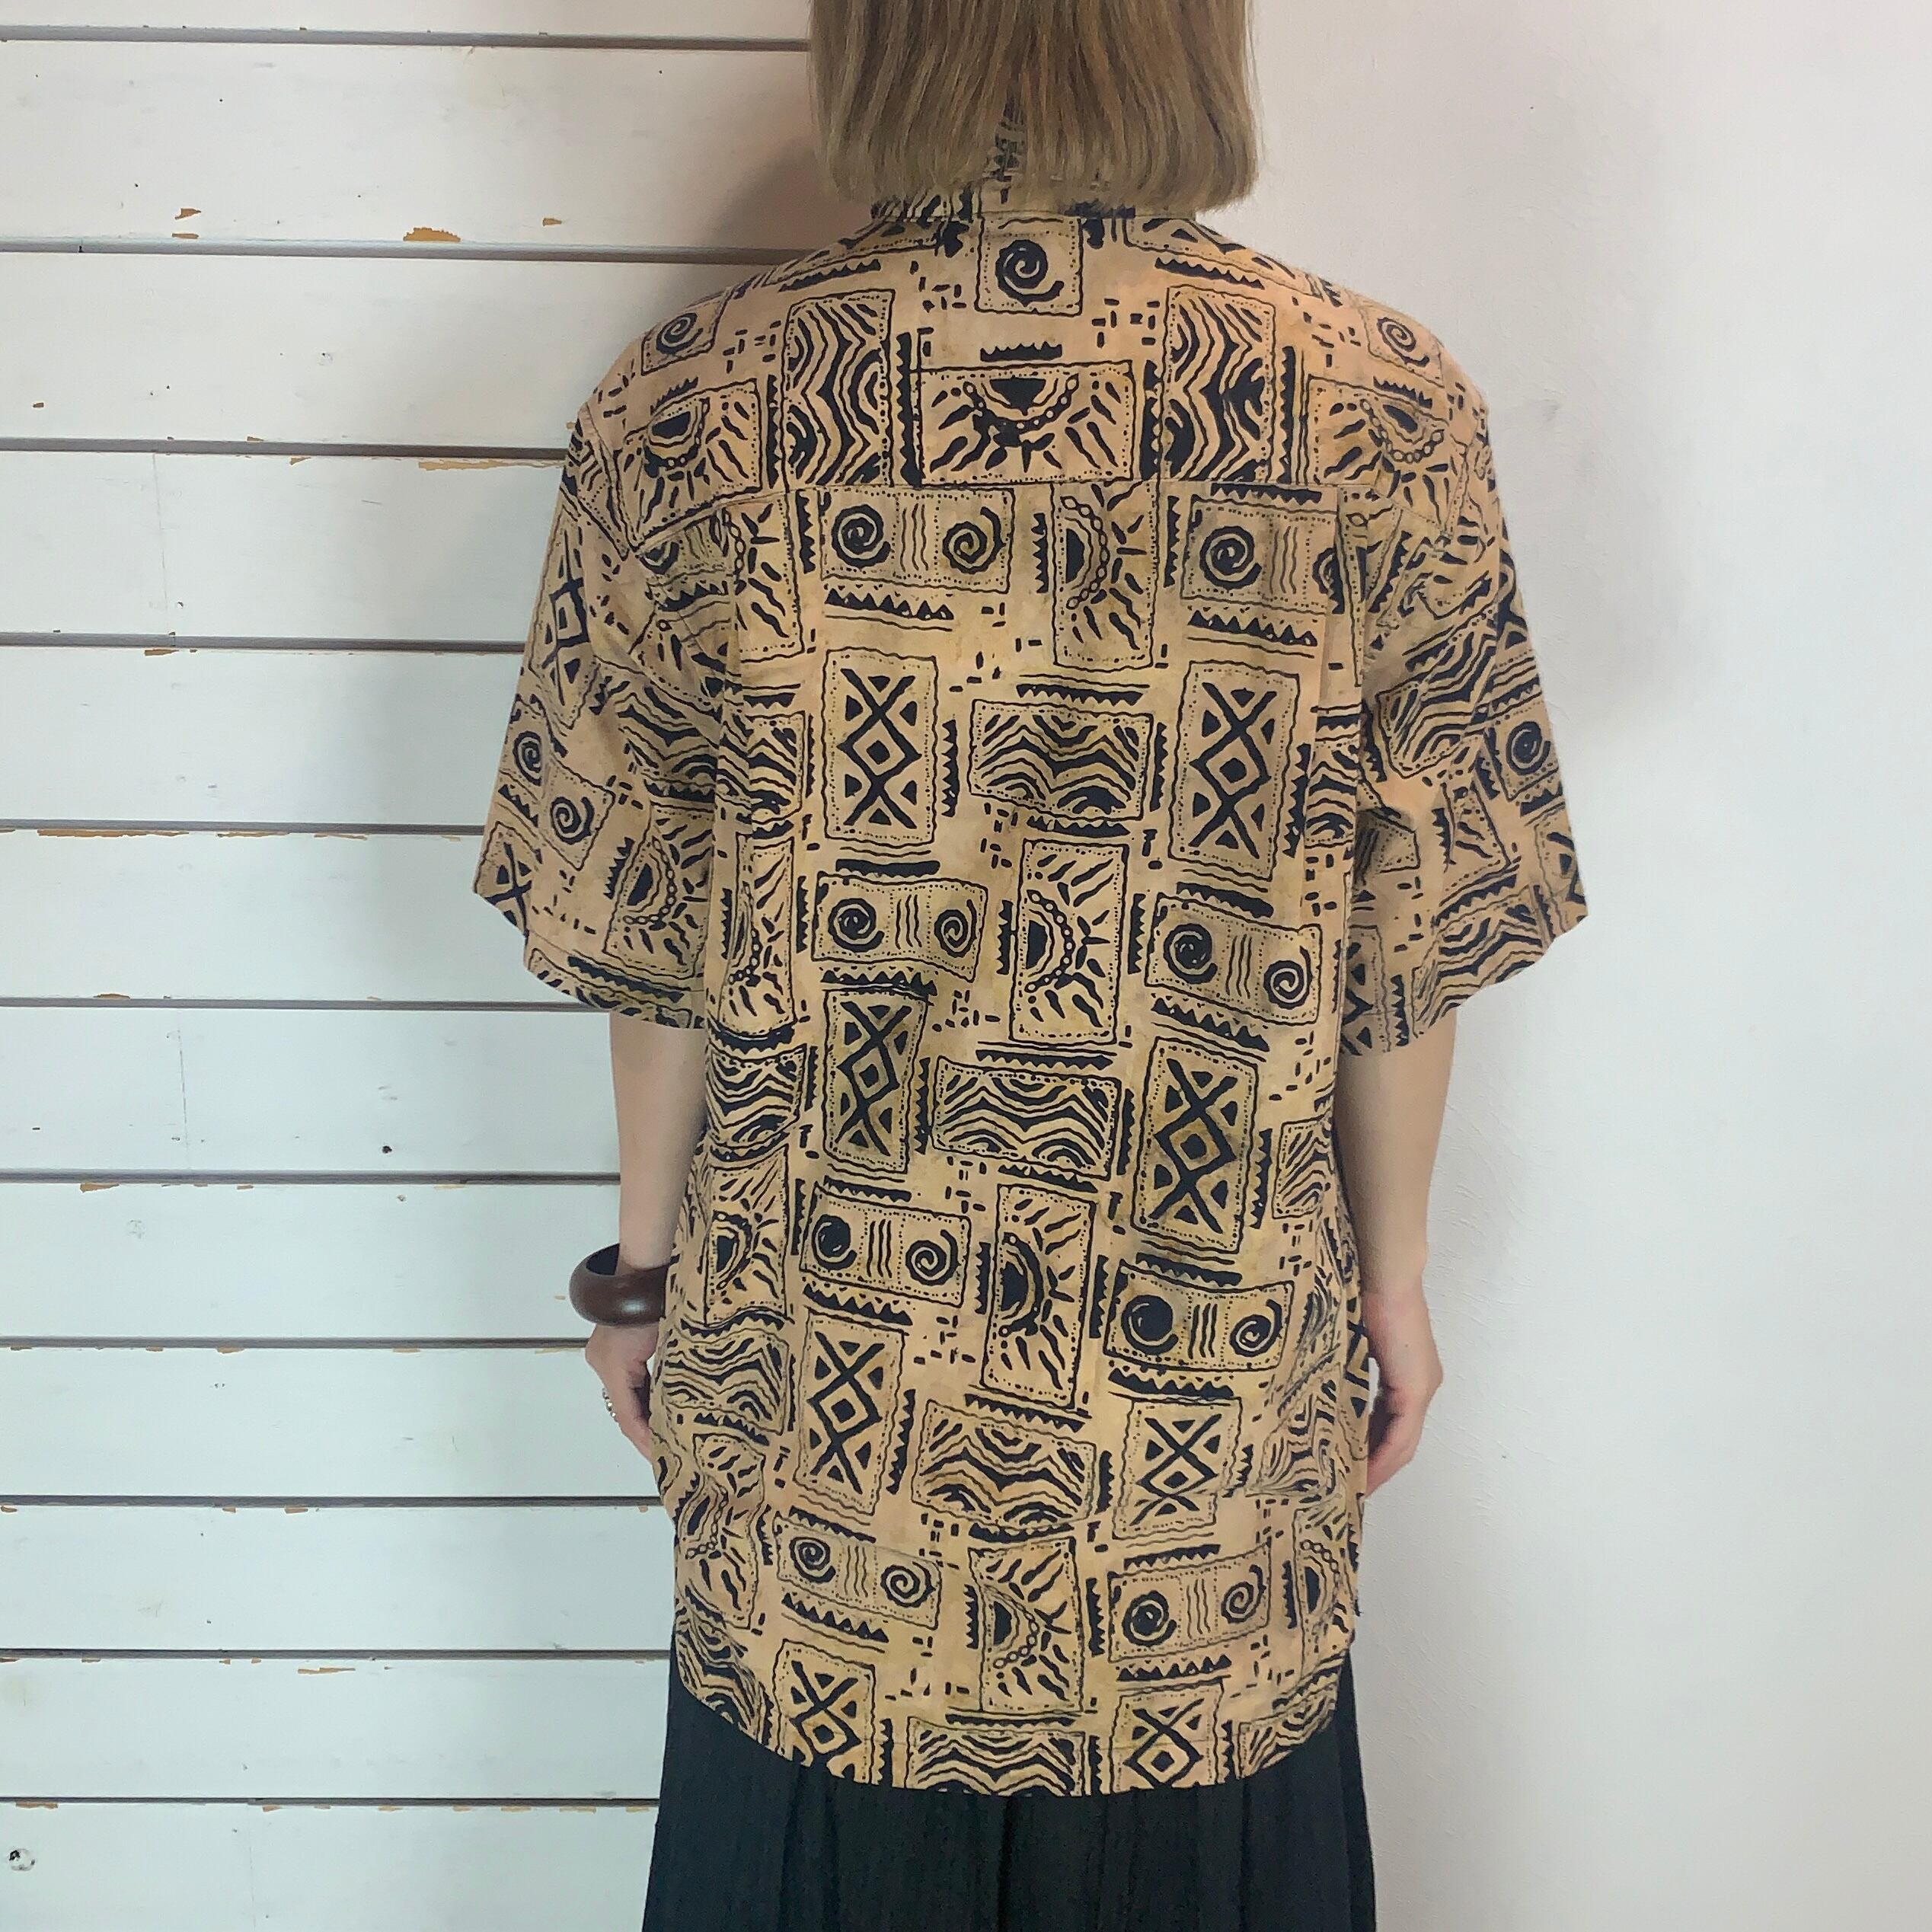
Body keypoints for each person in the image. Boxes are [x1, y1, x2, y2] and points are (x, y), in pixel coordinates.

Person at [468, 2, 1590, 1924]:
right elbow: (1411, 938)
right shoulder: (1379, 403)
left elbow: (651, 938)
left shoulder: (689, 403)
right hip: (1202, 1404)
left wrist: (642, 1275)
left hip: (826, 1412)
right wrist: (1393, 1286)